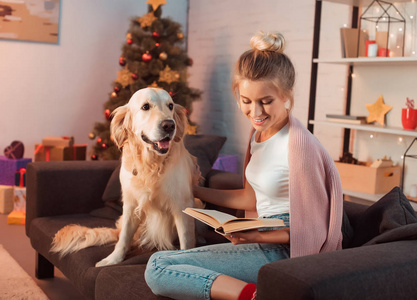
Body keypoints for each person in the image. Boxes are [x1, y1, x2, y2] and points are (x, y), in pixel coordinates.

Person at [144, 31, 343, 300]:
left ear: (286, 95)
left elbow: (314, 231)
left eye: (266, 102)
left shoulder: (300, 146)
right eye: (246, 101)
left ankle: (252, 296)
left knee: (158, 267)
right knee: (164, 263)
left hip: (284, 251)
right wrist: (194, 191)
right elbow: (250, 197)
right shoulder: (259, 136)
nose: (256, 113)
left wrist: (257, 234)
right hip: (261, 236)